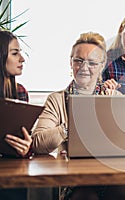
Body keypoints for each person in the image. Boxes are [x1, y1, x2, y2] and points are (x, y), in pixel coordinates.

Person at [31, 32, 125, 200]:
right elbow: (37, 143)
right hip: (76, 180)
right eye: (79, 60)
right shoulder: (57, 100)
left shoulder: (114, 98)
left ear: (101, 66)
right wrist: (71, 126)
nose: (84, 67)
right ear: (71, 63)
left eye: (92, 62)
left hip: (111, 175)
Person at [0, 30, 32, 199]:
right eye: (15, 53)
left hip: (12, 171)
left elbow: (25, 140)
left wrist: (26, 148)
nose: (22, 59)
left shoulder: (20, 92)